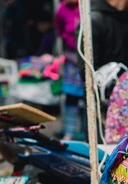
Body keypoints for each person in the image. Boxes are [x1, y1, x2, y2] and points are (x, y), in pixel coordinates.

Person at [55, 0, 84, 140]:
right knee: (71, 97)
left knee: (88, 98)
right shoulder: (62, 9)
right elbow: (61, 32)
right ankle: (69, 132)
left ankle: (86, 132)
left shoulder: (88, 6)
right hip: (71, 60)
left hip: (89, 59)